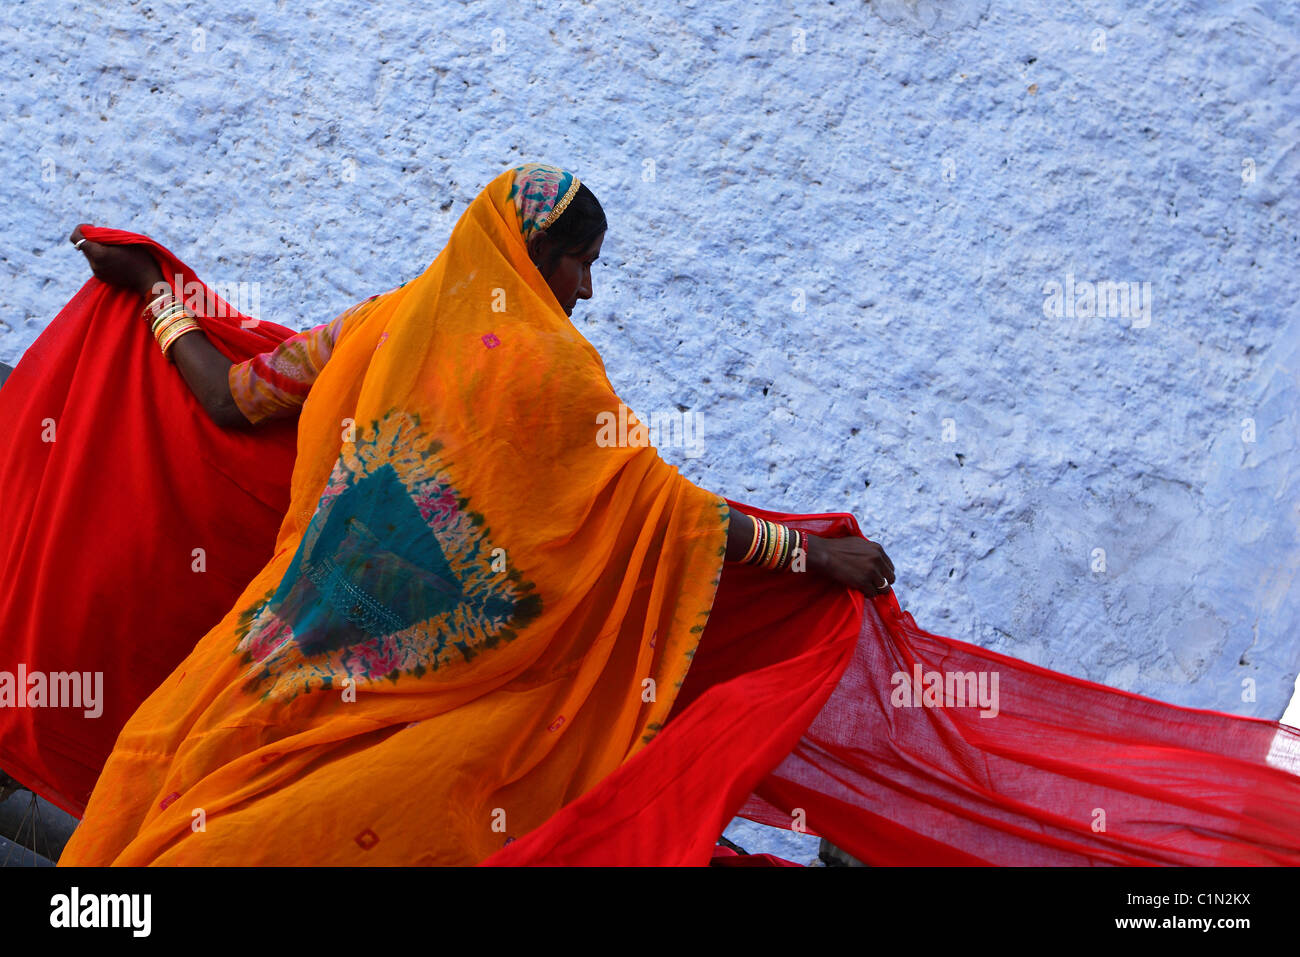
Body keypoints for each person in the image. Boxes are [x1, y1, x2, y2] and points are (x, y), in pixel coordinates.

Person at [56, 162, 895, 865]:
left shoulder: (381, 323)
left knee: (160, 784)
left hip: (276, 653)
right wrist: (810, 556)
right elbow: (661, 504)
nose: (588, 289)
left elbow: (232, 398)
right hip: (434, 693)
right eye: (580, 263)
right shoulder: (552, 370)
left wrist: (154, 292)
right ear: (533, 253)